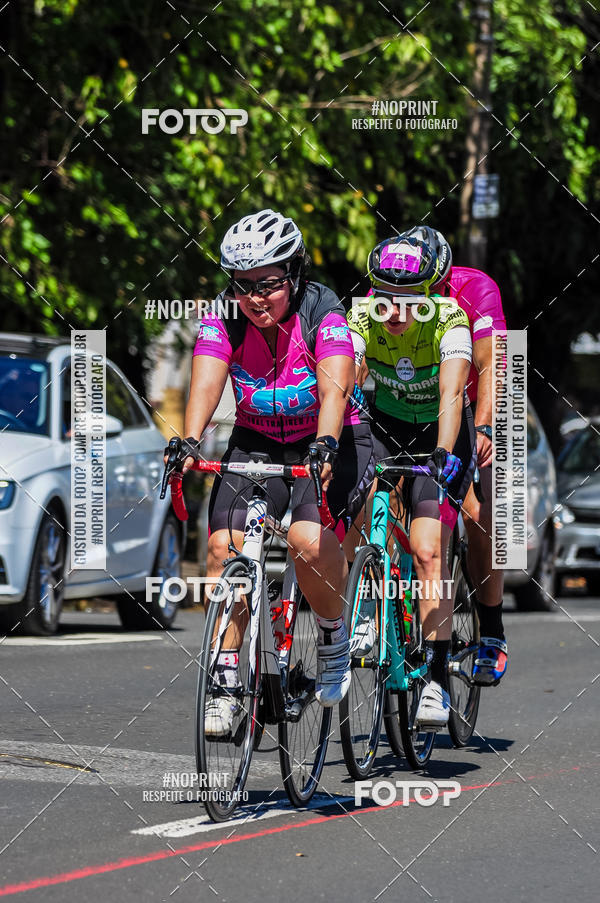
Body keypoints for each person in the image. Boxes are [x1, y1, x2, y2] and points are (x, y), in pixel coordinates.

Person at [180, 209, 374, 734]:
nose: (255, 297)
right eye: (243, 285)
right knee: (224, 549)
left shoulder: (322, 312)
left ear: (294, 273)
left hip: (329, 436)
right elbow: (205, 380)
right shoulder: (225, 318)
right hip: (259, 440)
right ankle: (225, 681)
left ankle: (333, 635)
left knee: (308, 542)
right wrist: (189, 439)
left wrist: (327, 443)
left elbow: (334, 387)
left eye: (268, 283)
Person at [347, 231, 475, 729]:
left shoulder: (451, 321)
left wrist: (443, 452)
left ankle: (438, 677)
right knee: (349, 501)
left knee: (426, 549)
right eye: (385, 297)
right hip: (385, 424)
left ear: (430, 296)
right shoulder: (361, 315)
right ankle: (363, 607)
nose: (394, 311)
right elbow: (346, 373)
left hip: (438, 431)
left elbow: (451, 393)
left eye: (407, 301)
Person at [425, 226, 508, 686]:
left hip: (487, 391)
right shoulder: (389, 293)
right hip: (423, 397)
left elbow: (491, 362)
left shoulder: (476, 288)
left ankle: (491, 628)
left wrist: (484, 426)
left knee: (483, 511)